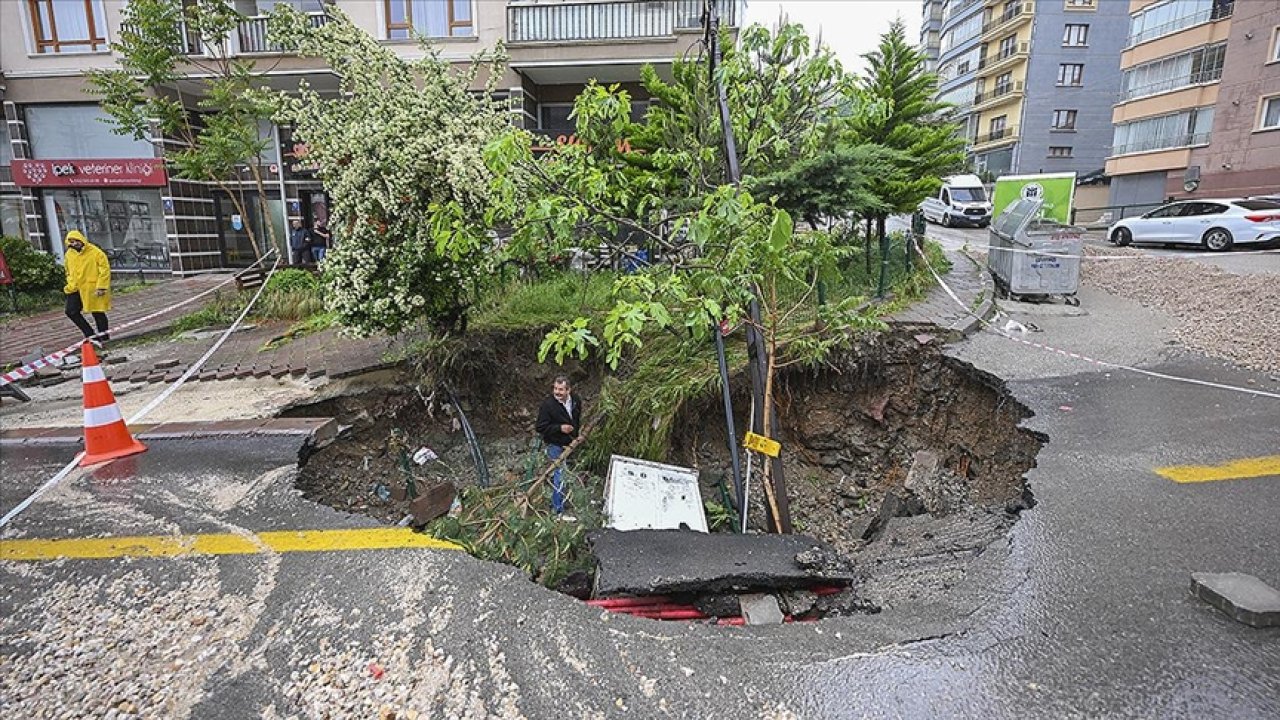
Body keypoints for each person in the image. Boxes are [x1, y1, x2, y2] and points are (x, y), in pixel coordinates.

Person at [535, 375, 583, 516]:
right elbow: (540, 427)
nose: (557, 392)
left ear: (568, 390)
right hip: (554, 444)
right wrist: (559, 428)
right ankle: (557, 510)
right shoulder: (548, 405)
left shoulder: (575, 401)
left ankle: (559, 500)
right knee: (560, 474)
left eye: (561, 389)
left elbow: (576, 420)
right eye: (555, 388)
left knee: (567, 473)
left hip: (570, 443)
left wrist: (576, 435)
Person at [63, 230, 112, 343]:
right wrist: (70, 282)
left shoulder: (96, 252)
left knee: (97, 312)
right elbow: (67, 270)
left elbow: (104, 270)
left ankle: (104, 338)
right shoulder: (69, 254)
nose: (74, 244)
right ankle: (90, 335)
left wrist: (101, 286)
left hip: (92, 288)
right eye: (71, 241)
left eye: (76, 241)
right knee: (71, 311)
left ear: (82, 239)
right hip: (75, 287)